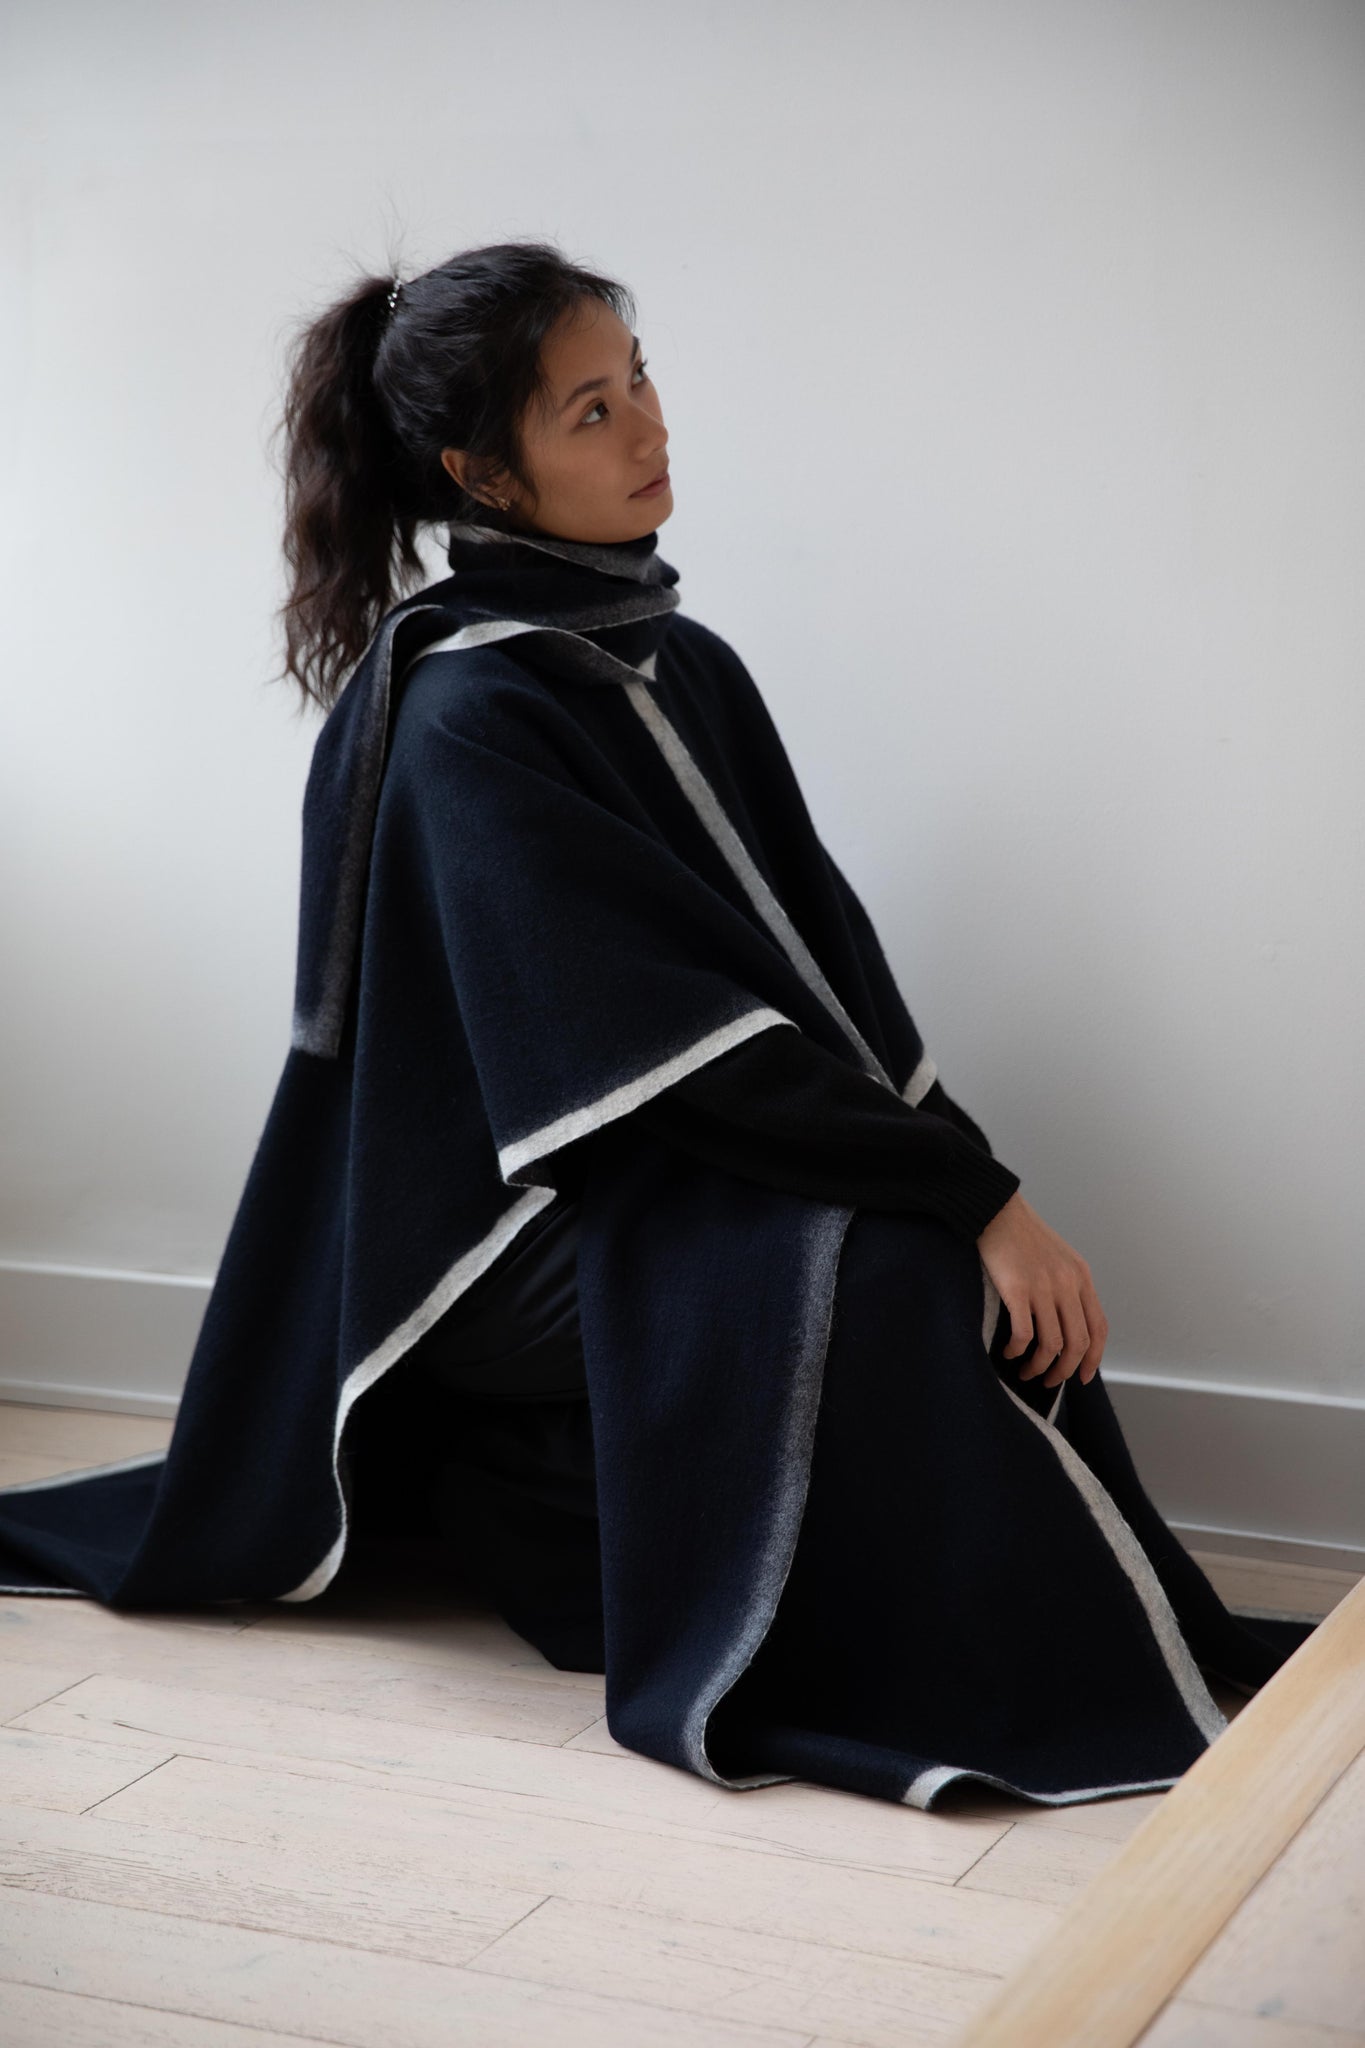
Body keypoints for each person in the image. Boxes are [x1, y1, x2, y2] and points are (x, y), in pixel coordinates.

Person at [0, 239, 1314, 1809]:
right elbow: (652, 1063)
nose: (649, 431)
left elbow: (822, 989)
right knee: (890, 1265)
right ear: (482, 475)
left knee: (948, 1250)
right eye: (589, 411)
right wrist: (963, 1201)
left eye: (639, 382)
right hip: (499, 1240)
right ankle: (922, 1651)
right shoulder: (470, 716)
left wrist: (982, 1185)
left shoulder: (682, 664)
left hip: (645, 1157)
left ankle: (1088, 1618)